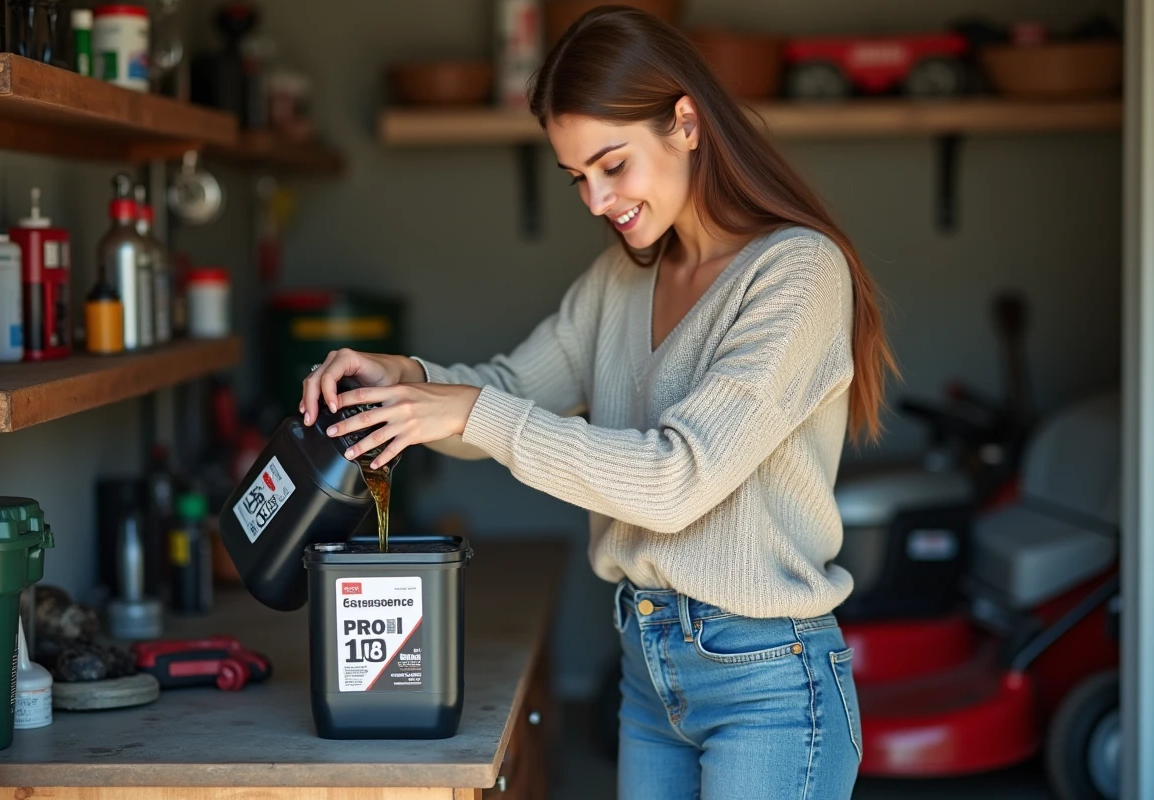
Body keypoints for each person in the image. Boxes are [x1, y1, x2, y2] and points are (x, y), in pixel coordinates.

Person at [301, 7, 895, 799]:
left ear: (685, 123)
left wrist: (465, 409)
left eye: (612, 165)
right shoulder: (622, 280)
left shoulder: (797, 273)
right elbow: (510, 390)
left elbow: (675, 479)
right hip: (649, 671)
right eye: (578, 176)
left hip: (770, 685)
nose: (595, 200)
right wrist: (405, 377)